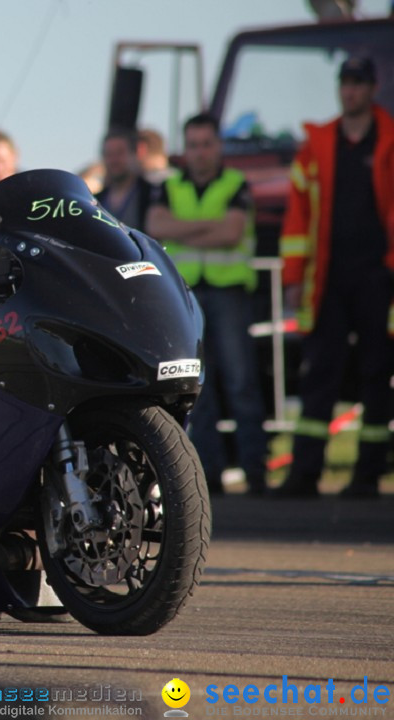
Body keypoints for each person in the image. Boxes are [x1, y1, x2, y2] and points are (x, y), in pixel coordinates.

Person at [275, 57, 394, 499]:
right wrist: (294, 276)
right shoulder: (318, 145)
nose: (350, 91)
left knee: (376, 371)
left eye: (359, 83)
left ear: (373, 88)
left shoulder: (388, 140)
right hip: (328, 279)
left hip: (378, 277)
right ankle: (304, 472)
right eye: (345, 82)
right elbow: (296, 218)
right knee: (319, 372)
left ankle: (368, 475)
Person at [146, 113, 268, 496]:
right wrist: (208, 227)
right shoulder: (170, 186)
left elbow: (232, 233)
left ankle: (256, 473)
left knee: (242, 383)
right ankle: (210, 475)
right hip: (187, 298)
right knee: (200, 390)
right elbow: (156, 226)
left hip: (229, 293)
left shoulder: (235, 184)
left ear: (218, 146)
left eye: (206, 144)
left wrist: (184, 228)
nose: (199, 153)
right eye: (193, 145)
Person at [95, 127, 153, 233]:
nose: (114, 160)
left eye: (120, 153)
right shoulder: (95, 201)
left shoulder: (152, 195)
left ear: (135, 154)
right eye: (109, 154)